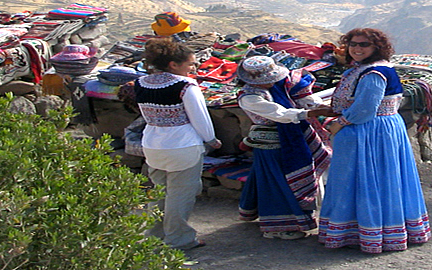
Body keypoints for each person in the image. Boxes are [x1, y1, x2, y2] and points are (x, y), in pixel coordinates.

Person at [318, 28, 431, 253]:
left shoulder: (373, 74)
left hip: (369, 131)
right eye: (353, 44)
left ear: (375, 48)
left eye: (364, 45)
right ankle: (373, 231)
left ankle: (369, 232)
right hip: (381, 129)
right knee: (380, 179)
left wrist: (339, 123)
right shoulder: (369, 69)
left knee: (365, 180)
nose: (357, 48)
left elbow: (365, 109)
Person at [236, 56, 337, 240]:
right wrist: (313, 112)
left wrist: (315, 105)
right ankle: (278, 226)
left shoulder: (275, 87)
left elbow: (296, 97)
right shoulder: (250, 97)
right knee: (277, 182)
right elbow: (279, 113)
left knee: (273, 179)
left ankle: (264, 214)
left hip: (285, 138)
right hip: (270, 144)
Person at [136, 37, 220, 250]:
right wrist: (211, 139)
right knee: (180, 196)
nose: (194, 67)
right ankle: (178, 239)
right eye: (190, 64)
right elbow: (200, 117)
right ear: (173, 65)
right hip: (182, 147)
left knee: (160, 193)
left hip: (153, 145)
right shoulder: (185, 86)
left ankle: (153, 237)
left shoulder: (141, 83)